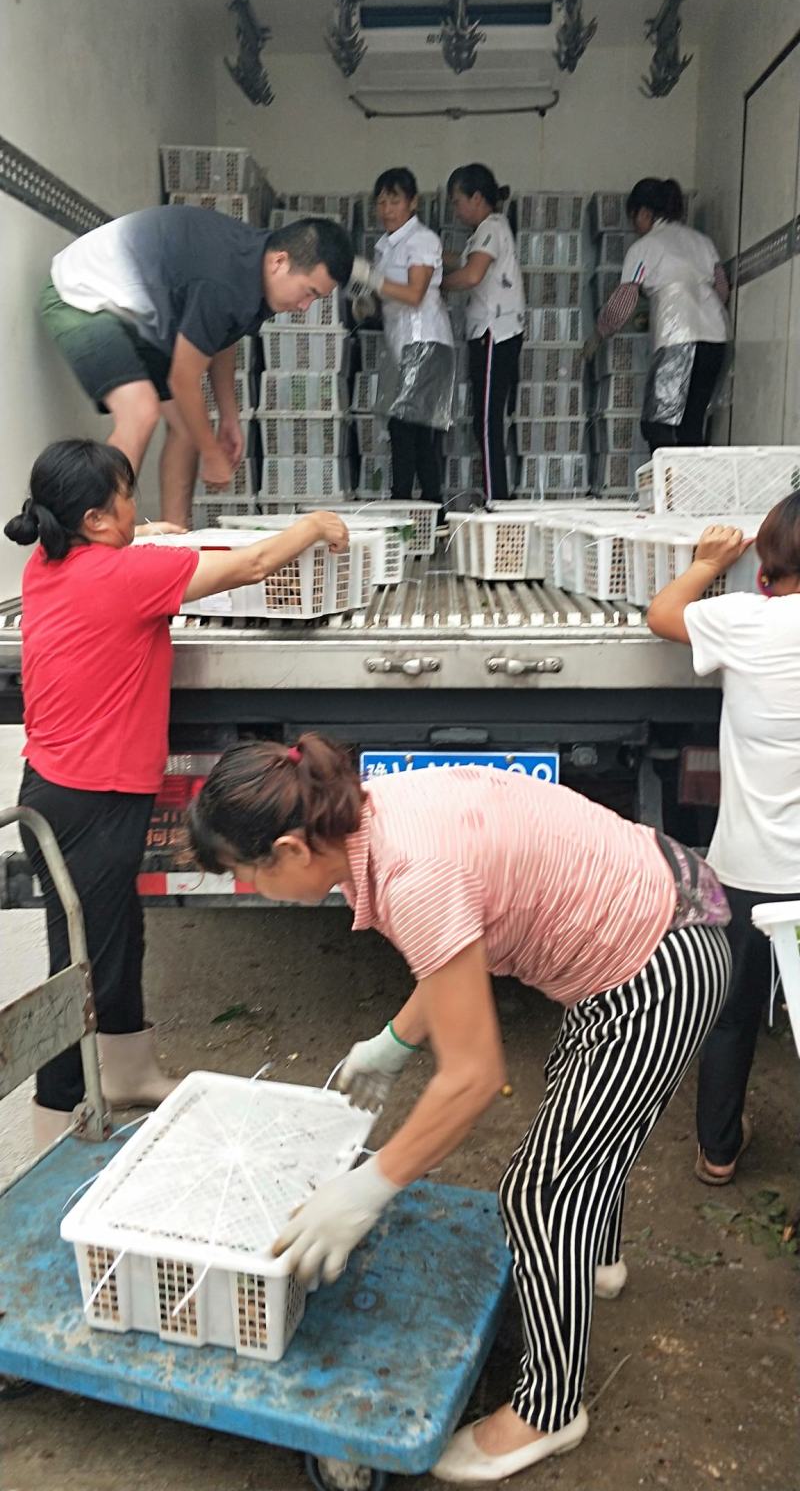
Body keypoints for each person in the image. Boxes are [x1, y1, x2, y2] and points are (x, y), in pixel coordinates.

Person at [187, 737, 730, 1483]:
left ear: (289, 849)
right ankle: (593, 1264)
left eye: (247, 873)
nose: (250, 887)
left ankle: (549, 1410)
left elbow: (474, 1079)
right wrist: (391, 1043)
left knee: (539, 1195)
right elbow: (453, 952)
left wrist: (368, 1185)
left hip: (660, 963)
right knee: (584, 1121)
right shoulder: (376, 819)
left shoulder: (413, 872)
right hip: (657, 915)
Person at [4, 439, 348, 1148]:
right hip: (88, 800)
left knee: (115, 934)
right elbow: (251, 565)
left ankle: (127, 1069)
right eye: (129, 499)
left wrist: (149, 534)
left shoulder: (49, 562)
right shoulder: (128, 578)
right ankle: (53, 1126)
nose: (140, 509)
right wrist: (315, 525)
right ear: (97, 520)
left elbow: (131, 553)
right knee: (79, 965)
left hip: (66, 792)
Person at [647, 498, 800, 1185]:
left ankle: (717, 1150)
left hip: (746, 867)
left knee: (732, 1012)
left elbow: (661, 614)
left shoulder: (743, 618)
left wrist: (708, 564)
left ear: (767, 559)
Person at [40, 211, 354, 525]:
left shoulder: (256, 268)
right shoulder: (223, 279)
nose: (304, 307)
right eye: (309, 292)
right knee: (140, 411)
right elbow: (182, 380)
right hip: (82, 293)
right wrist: (212, 453)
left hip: (138, 312)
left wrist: (229, 417)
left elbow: (221, 336)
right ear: (280, 262)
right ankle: (93, 542)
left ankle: (177, 540)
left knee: (189, 427)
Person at [584, 177, 730, 451]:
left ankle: (667, 489)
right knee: (691, 424)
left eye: (633, 219)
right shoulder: (702, 241)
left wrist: (599, 333)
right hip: (716, 339)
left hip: (678, 340)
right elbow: (722, 289)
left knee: (657, 425)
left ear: (644, 213)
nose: (634, 227)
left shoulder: (644, 247)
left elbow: (624, 301)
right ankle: (691, 490)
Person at [351, 168, 454, 504]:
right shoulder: (386, 246)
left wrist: (373, 280)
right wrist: (368, 303)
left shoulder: (422, 240)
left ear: (413, 202)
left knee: (408, 432)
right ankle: (424, 513)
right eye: (380, 202)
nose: (386, 209)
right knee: (413, 434)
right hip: (403, 345)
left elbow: (414, 295)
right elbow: (390, 298)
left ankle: (409, 509)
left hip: (425, 342)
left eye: (394, 200)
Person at [442, 164, 525, 503]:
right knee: (485, 419)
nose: (455, 209)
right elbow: (460, 260)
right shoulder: (484, 233)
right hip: (493, 333)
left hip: (495, 332)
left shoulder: (490, 227)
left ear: (477, 198)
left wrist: (435, 286)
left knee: (487, 422)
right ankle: (496, 496)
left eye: (457, 201)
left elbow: (471, 275)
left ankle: (496, 501)